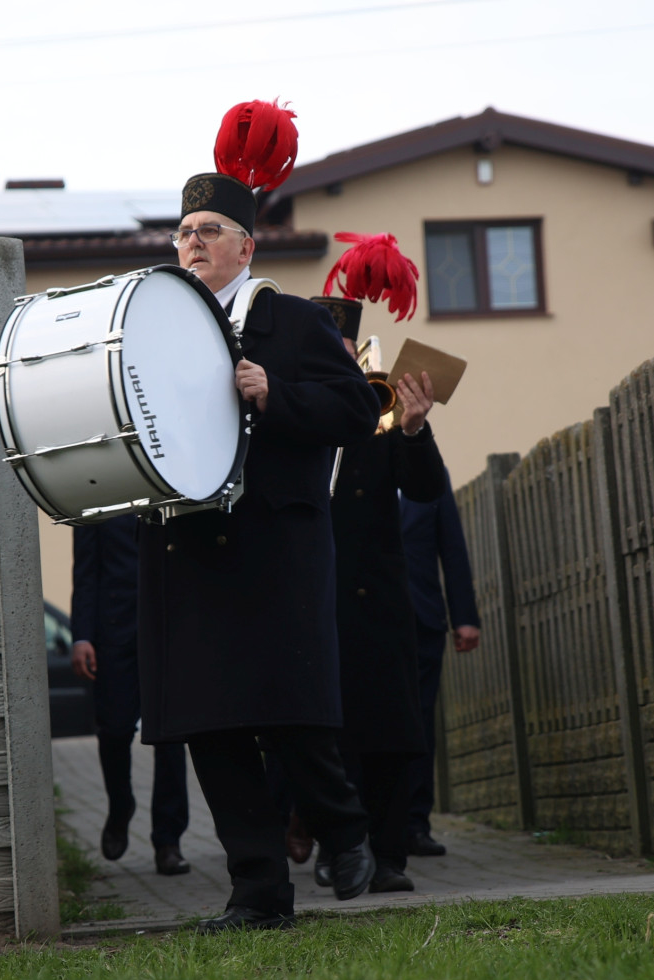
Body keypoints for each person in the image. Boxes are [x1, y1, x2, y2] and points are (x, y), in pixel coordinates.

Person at [136, 100, 383, 933]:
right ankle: (258, 893)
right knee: (214, 729)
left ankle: (348, 830)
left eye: (209, 229)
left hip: (275, 548)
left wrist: (276, 394)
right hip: (195, 552)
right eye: (184, 231)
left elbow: (358, 412)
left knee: (290, 716)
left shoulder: (296, 320)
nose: (193, 243)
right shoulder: (156, 331)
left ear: (248, 244)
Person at [308, 233, 447, 895]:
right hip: (314, 601)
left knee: (394, 731)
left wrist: (415, 429)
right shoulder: (291, 418)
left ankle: (389, 854)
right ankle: (341, 846)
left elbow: (424, 490)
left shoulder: (381, 410)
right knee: (330, 736)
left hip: (380, 598)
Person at [71, 517, 190, 876]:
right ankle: (120, 807)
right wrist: (81, 637)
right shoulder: (96, 493)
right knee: (115, 731)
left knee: (170, 737)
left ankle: (168, 842)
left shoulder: (168, 486)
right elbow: (86, 572)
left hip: (166, 631)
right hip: (112, 636)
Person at [400, 470, 481, 856]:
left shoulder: (427, 467)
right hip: (361, 619)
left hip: (422, 618)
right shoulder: (344, 462)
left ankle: (415, 824)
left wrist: (464, 615)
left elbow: (452, 544)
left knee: (419, 723)